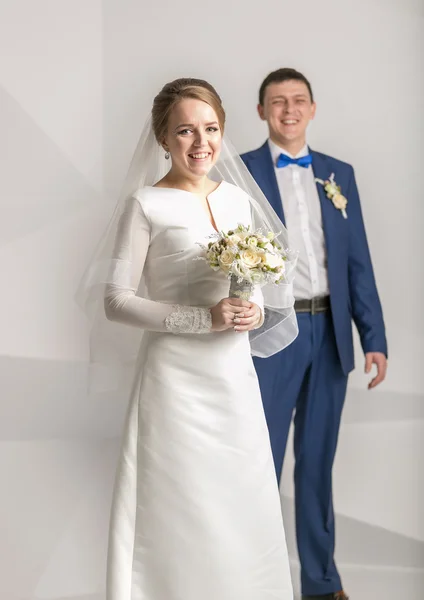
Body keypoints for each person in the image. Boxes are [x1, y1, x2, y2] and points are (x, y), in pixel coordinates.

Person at [76, 78, 299, 600]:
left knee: (237, 497)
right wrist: (203, 320)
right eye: (185, 131)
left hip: (232, 378)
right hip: (174, 381)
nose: (201, 142)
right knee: (177, 503)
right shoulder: (147, 203)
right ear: (163, 138)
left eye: (211, 128)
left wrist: (249, 310)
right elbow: (115, 299)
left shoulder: (242, 202)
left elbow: (260, 289)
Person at [241, 68, 388, 600]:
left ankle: (322, 587)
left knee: (317, 465)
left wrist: (373, 336)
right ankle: (254, 581)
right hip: (270, 335)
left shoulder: (338, 174)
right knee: (261, 462)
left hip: (330, 334)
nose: (288, 110)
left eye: (298, 100)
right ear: (261, 111)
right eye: (277, 102)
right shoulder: (242, 172)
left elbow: (357, 262)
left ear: (313, 108)